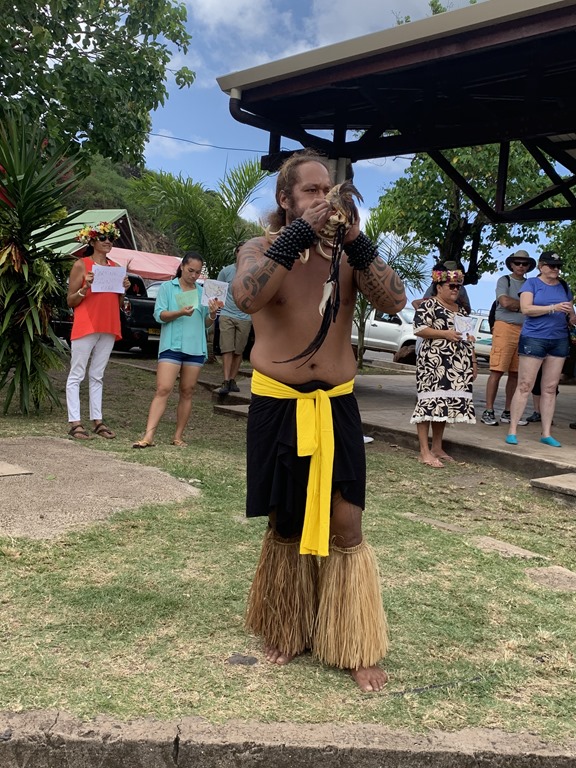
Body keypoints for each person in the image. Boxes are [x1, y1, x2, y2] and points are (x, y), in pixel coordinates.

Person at [232, 150, 406, 692]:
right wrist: (296, 237)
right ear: (285, 199)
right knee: (284, 520)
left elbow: (395, 300)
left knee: (347, 523)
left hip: (336, 403)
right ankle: (287, 625)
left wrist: (356, 240)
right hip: (277, 400)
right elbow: (246, 296)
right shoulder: (260, 248)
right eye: (311, 190)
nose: (324, 197)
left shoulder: (349, 257)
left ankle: (353, 641)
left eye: (329, 189)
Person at [132, 253, 223, 448]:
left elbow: (205, 323)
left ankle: (178, 436)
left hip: (194, 347)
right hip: (172, 345)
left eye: (198, 272)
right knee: (163, 388)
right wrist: (180, 312)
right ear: (182, 267)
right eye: (191, 270)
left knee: (187, 391)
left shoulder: (202, 292)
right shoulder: (167, 287)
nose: (194, 275)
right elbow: (159, 315)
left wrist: (213, 314)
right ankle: (148, 436)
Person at [66, 221, 131, 440]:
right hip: (86, 323)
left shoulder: (115, 267)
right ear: (92, 241)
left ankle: (97, 420)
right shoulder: (81, 265)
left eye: (111, 238)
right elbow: (70, 300)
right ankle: (75, 422)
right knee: (77, 373)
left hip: (109, 324)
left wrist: (124, 289)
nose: (107, 241)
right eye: (103, 238)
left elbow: (118, 303)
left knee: (98, 374)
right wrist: (85, 288)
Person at [506, 251, 576, 448]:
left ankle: (546, 433)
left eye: (558, 266)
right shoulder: (532, 284)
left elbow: (570, 311)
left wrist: (572, 316)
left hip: (559, 339)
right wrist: (553, 308)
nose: (556, 269)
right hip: (534, 338)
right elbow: (526, 309)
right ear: (541, 266)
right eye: (552, 265)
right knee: (525, 385)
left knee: (550, 388)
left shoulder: (564, 286)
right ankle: (512, 430)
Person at [410, 263, 477, 467]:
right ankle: (424, 451)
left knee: (444, 404)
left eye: (458, 286)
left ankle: (437, 447)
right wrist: (444, 334)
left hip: (457, 364)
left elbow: (466, 336)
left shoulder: (461, 310)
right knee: (428, 403)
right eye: (451, 286)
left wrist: (473, 361)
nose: (456, 289)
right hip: (433, 363)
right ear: (439, 287)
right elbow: (419, 329)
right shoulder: (429, 305)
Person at [480, 250, 536, 427]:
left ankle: (508, 411)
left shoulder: (530, 284)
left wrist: (518, 306)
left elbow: (531, 305)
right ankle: (488, 410)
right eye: (517, 263)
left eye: (524, 264)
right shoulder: (504, 280)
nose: (521, 266)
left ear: (528, 267)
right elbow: (504, 302)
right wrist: (526, 307)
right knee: (497, 370)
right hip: (504, 327)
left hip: (524, 330)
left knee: (515, 373)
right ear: (511, 264)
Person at [214, 248, 253, 395]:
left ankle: (232, 379)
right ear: (236, 253)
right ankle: (226, 380)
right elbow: (217, 292)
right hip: (227, 314)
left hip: (245, 316)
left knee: (239, 350)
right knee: (227, 348)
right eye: (240, 251)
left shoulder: (253, 272)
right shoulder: (226, 271)